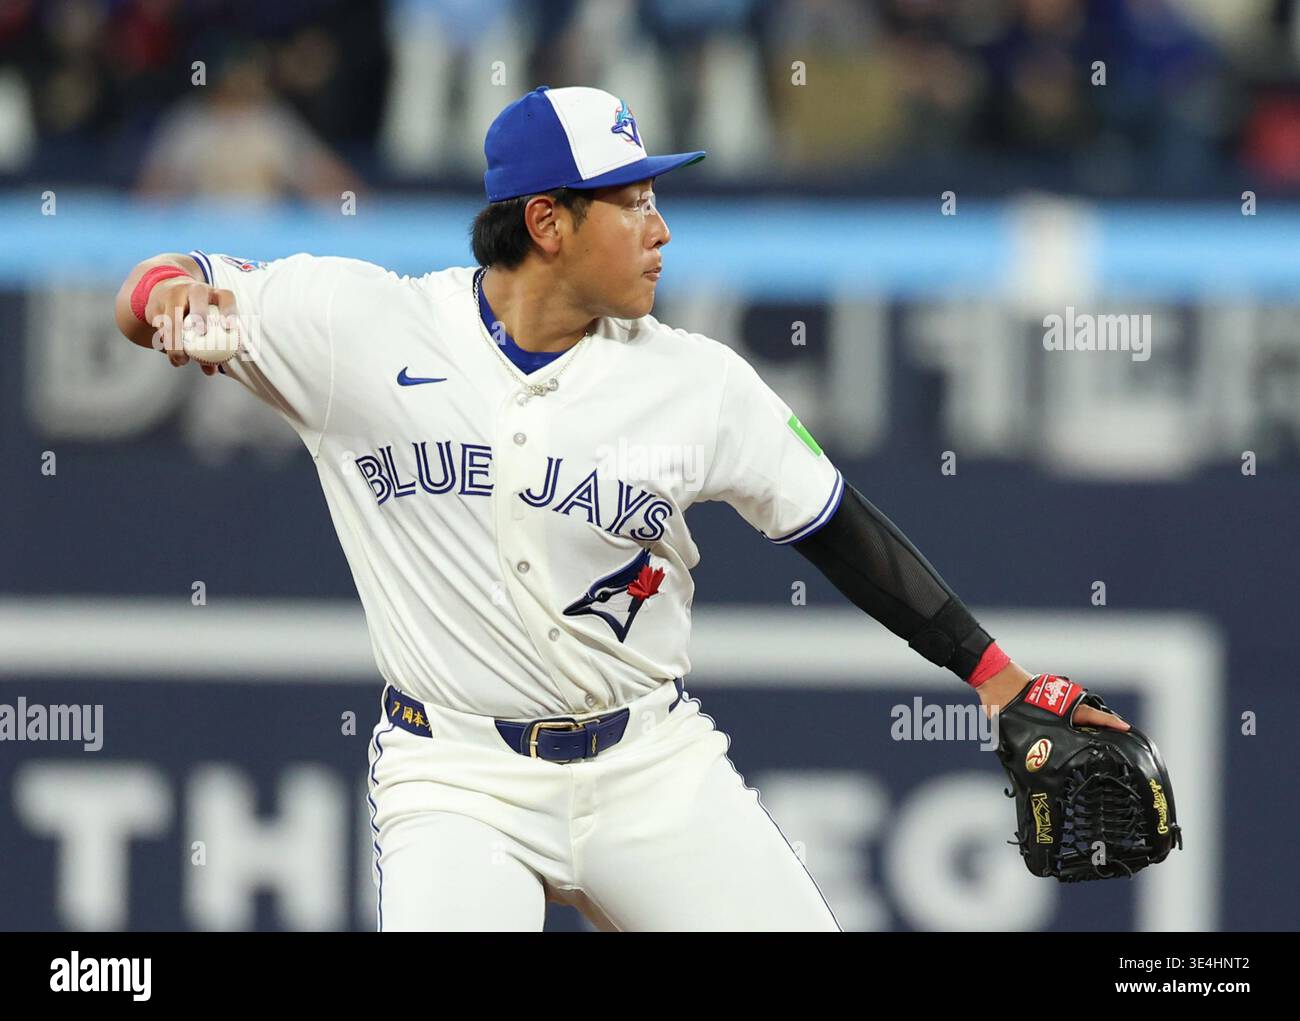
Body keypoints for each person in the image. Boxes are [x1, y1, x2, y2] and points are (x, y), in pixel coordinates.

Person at [112, 85, 1130, 932]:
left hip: (645, 762)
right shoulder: (364, 325)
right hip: (455, 774)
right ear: (548, 222)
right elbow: (172, 276)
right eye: (631, 202)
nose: (660, 228)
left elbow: (837, 528)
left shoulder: (695, 383)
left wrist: (994, 675)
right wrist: (164, 298)